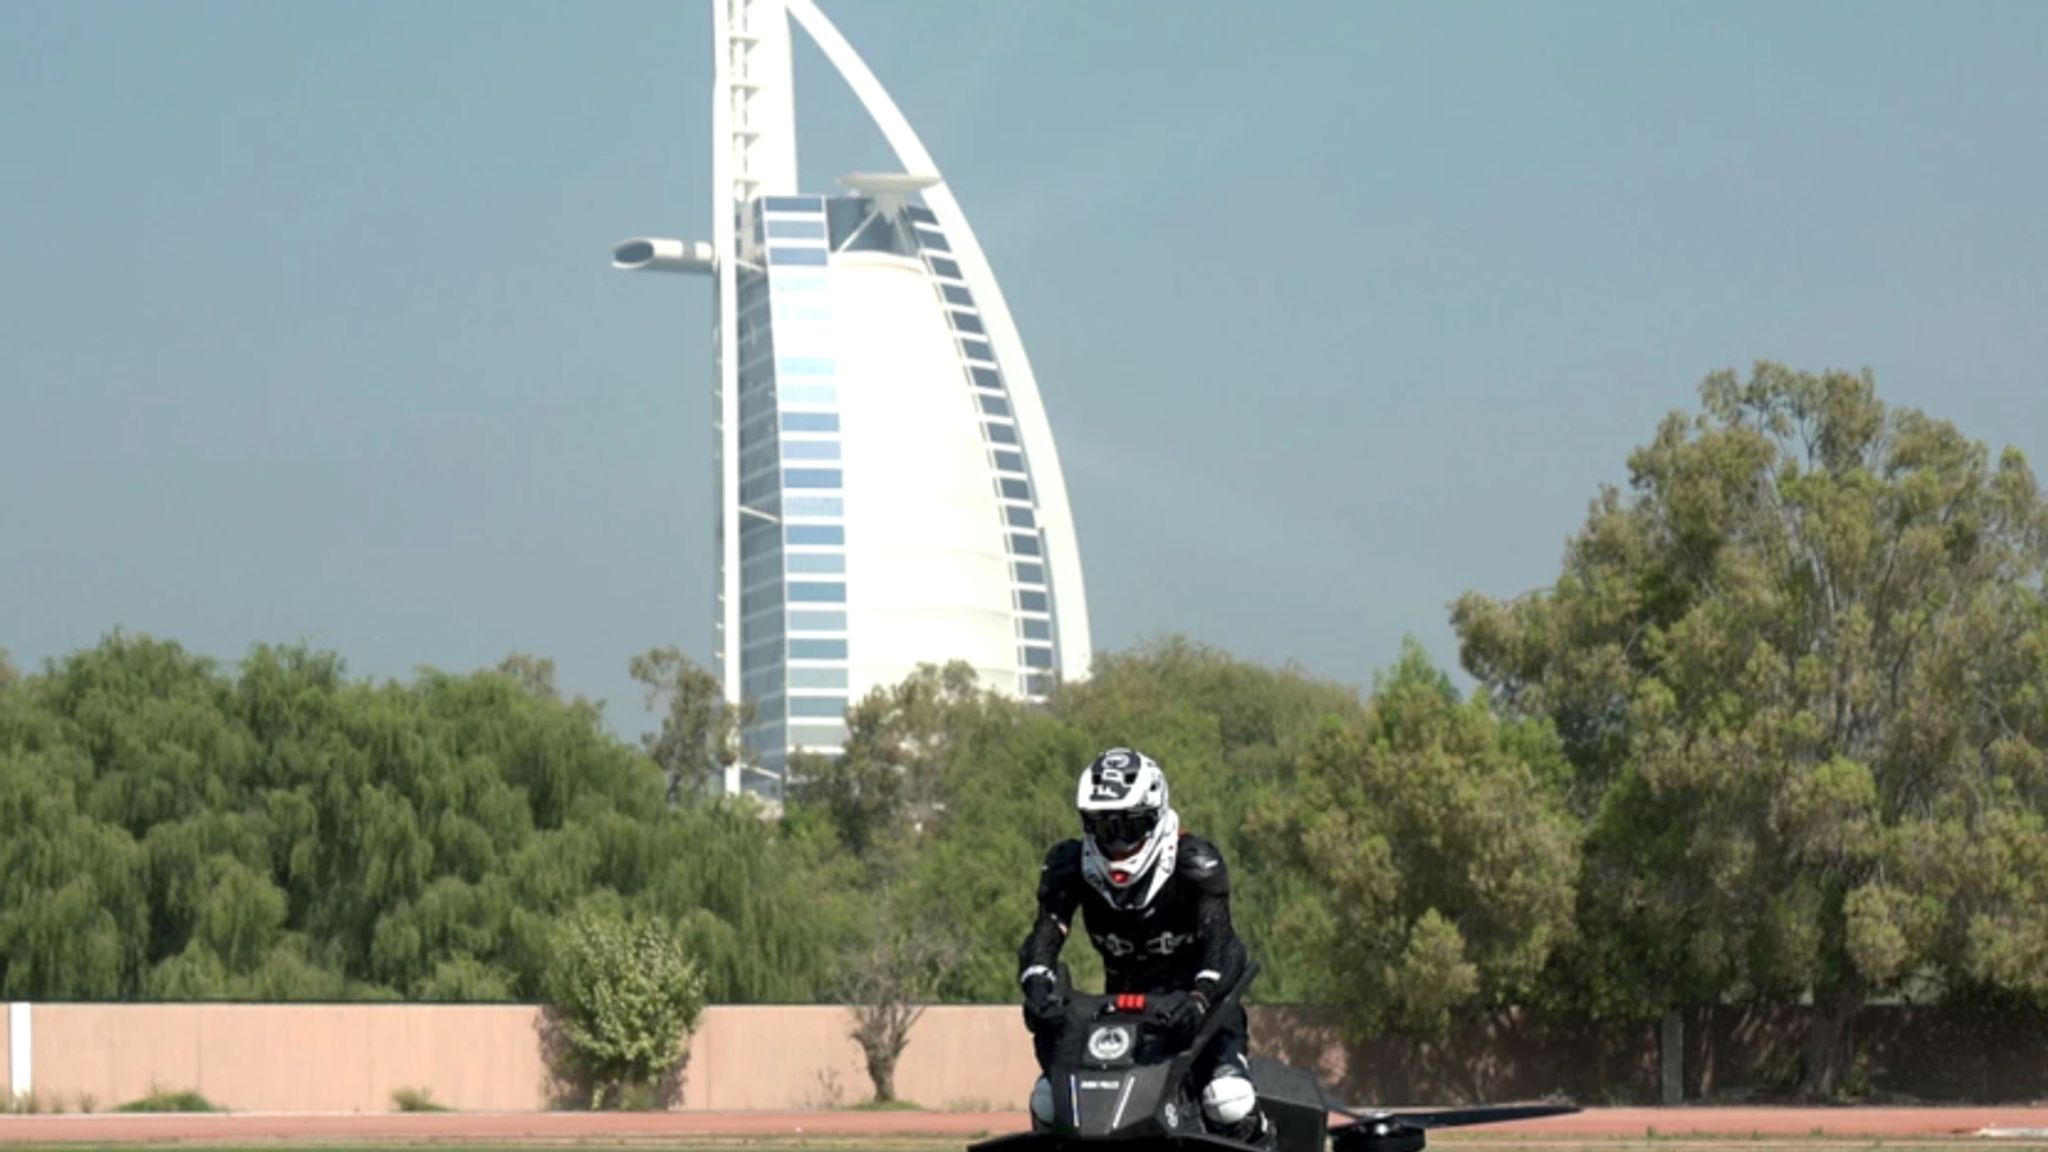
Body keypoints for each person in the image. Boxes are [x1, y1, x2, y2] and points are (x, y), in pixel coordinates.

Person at [1015, 746, 1272, 1147]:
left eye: (1128, 826)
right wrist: (1036, 984)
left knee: (1228, 1101)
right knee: (1049, 1104)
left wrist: (1200, 998)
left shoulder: (1195, 864)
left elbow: (1223, 946)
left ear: (1154, 816)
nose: (1116, 843)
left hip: (1199, 1010)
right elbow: (1043, 938)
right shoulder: (1069, 866)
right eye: (1103, 827)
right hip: (1121, 1014)